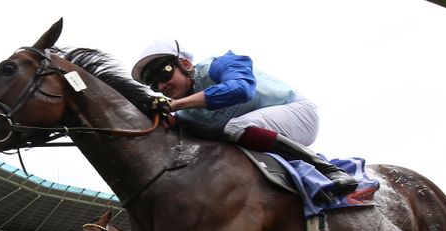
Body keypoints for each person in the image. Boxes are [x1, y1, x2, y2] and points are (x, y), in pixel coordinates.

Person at [131, 39, 358, 203]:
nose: (161, 87)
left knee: (235, 126)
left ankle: (330, 170)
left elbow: (241, 89)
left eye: (164, 74)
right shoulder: (184, 117)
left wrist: (175, 105)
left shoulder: (220, 65)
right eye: (154, 85)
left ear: (185, 64)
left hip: (297, 113)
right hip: (262, 141)